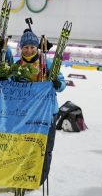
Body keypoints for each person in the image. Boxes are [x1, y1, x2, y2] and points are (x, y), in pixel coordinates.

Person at [16, 29, 66, 186]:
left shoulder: (47, 63)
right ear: (21, 49)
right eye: (25, 47)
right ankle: (22, 175)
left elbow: (61, 82)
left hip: (47, 112)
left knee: (45, 148)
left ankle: (40, 178)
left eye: (32, 47)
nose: (29, 50)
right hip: (26, 114)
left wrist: (58, 84)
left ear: (37, 47)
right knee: (24, 146)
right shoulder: (17, 65)